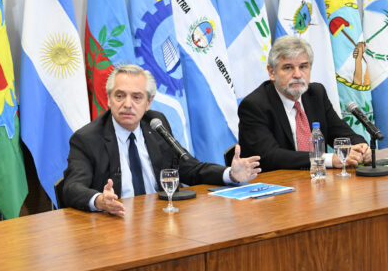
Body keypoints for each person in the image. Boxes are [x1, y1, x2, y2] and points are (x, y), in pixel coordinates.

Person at [62, 64, 261, 216]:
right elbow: (71, 188)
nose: (127, 104)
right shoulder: (87, 139)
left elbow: (189, 168)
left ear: (148, 103)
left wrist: (230, 174)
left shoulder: (155, 124)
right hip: (115, 223)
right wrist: (99, 200)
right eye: (120, 96)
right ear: (108, 99)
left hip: (161, 218)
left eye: (137, 97)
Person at [238, 35, 371, 172]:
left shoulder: (316, 94)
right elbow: (269, 156)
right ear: (272, 72)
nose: (297, 74)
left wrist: (361, 148)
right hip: (275, 182)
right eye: (288, 68)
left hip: (318, 180)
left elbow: (342, 134)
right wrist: (327, 159)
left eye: (303, 67)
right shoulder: (254, 105)